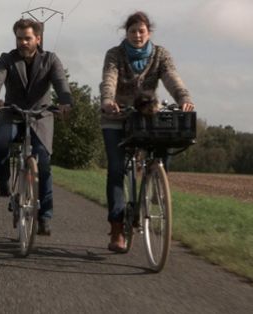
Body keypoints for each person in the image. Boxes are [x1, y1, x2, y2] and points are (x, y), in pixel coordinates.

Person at [100, 11, 195, 252]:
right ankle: (117, 229)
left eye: (141, 31)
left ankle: (155, 182)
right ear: (127, 33)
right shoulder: (115, 54)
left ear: (148, 33)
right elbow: (109, 78)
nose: (137, 35)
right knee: (116, 169)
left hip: (146, 115)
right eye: (133, 31)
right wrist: (108, 100)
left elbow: (172, 78)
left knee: (167, 139)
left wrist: (184, 98)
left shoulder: (160, 54)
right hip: (117, 115)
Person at [0, 18, 73, 236]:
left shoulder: (50, 59)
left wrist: (65, 101)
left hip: (41, 116)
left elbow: (61, 82)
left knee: (43, 163)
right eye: (19, 38)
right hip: (12, 113)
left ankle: (45, 217)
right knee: (0, 142)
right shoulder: (7, 59)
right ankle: (3, 181)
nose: (23, 42)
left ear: (38, 39)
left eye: (27, 38)